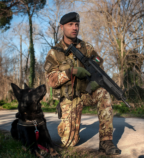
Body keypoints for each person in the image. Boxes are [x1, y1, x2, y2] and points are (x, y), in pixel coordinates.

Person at [44, 12, 120, 155]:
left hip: (86, 93)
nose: (74, 28)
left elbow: (99, 66)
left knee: (103, 93)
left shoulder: (87, 48)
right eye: (70, 24)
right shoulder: (54, 53)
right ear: (62, 27)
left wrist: (95, 82)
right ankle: (67, 126)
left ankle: (106, 141)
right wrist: (70, 72)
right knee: (69, 143)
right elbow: (52, 81)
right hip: (69, 98)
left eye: (77, 25)